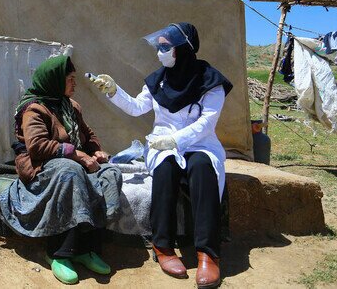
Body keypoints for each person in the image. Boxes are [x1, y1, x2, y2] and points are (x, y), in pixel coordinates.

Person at [91, 23, 232, 289]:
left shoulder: (210, 81)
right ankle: (163, 246)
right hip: (162, 146)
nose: (159, 52)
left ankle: (207, 253)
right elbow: (136, 107)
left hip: (199, 143)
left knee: (202, 167)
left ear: (183, 48)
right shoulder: (159, 80)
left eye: (165, 47)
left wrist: (177, 139)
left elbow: (206, 123)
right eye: (158, 46)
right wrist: (113, 91)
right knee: (166, 169)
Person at [0, 55, 122, 285]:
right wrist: (76, 154)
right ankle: (58, 253)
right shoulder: (34, 108)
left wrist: (96, 151)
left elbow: (89, 135)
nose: (75, 84)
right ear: (55, 81)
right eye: (70, 79)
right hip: (43, 165)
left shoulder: (72, 106)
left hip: (72, 162)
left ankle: (86, 249)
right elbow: (36, 146)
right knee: (70, 172)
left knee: (110, 173)